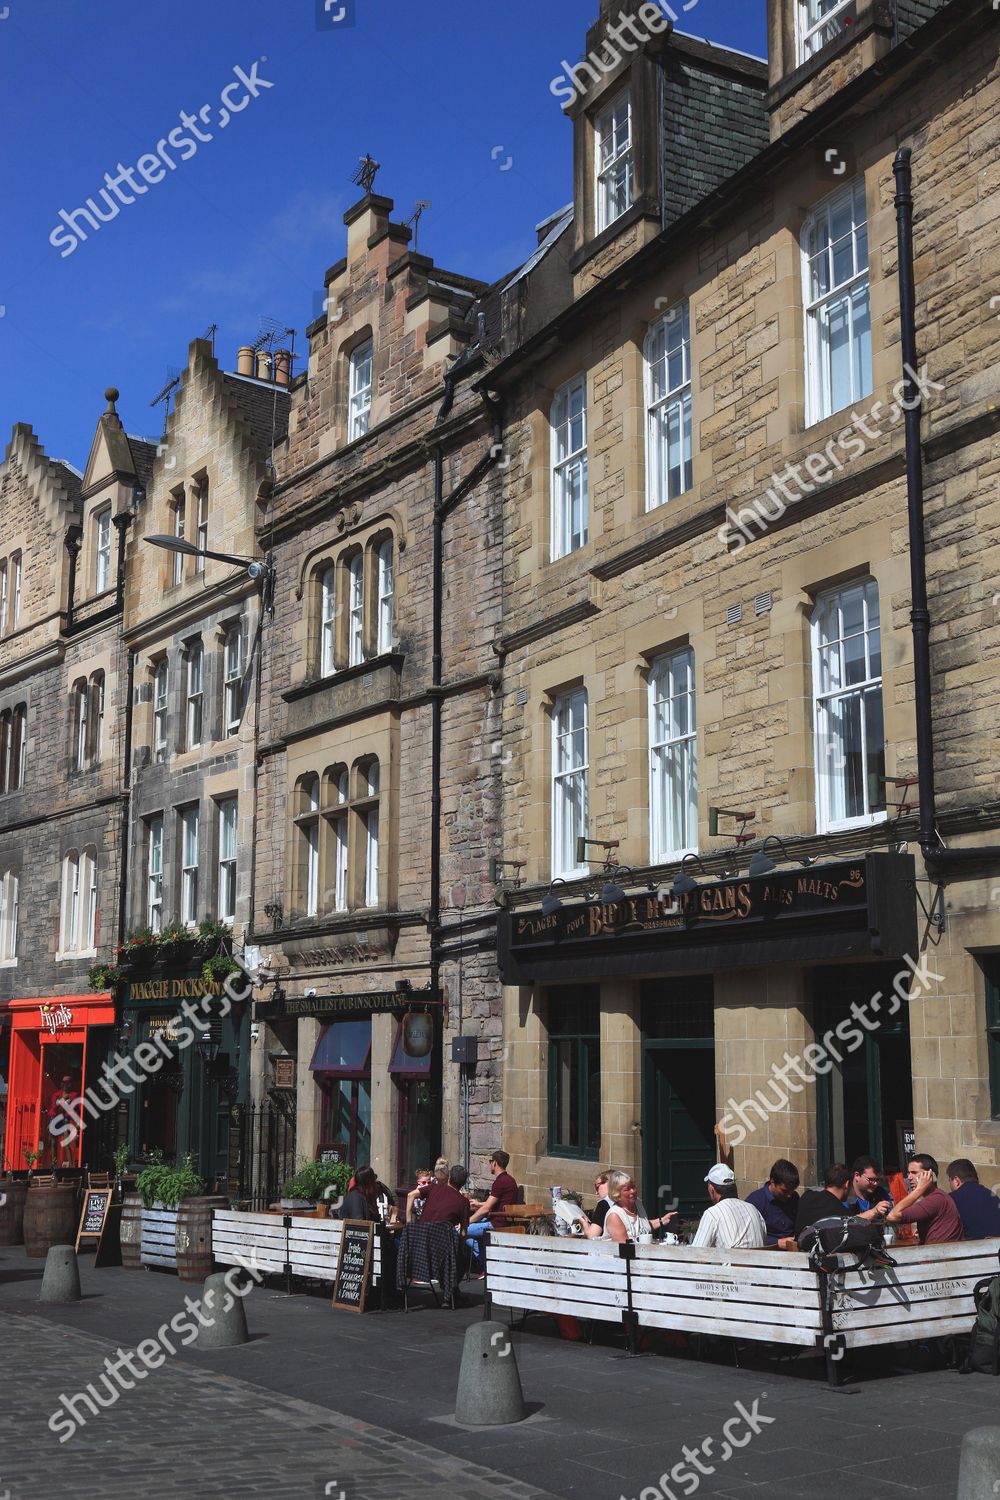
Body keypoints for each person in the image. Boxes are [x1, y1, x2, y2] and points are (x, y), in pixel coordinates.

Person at [887, 1153, 964, 1244]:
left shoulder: (936, 1199)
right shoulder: (937, 1197)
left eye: (914, 1173)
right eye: (908, 1173)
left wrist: (919, 1189)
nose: (909, 1177)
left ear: (930, 1175)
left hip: (939, 1255)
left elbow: (892, 1216)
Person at [466, 1150, 519, 1271]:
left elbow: (486, 1209)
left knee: (459, 1231)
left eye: (490, 1162)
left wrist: (467, 1221)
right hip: (503, 1221)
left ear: (494, 1163)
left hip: (496, 1223)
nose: (490, 1164)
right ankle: (487, 1263)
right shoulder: (510, 1180)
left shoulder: (500, 1182)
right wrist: (479, 1204)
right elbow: (495, 1203)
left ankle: (488, 1265)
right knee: (469, 1235)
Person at [692, 1165, 765, 1249]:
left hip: (733, 1261)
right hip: (759, 1261)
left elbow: (697, 1254)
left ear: (711, 1189)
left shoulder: (712, 1213)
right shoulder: (753, 1209)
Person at [602, 1169, 677, 1244]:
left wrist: (663, 1220)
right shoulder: (614, 1215)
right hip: (624, 1254)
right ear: (617, 1194)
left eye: (633, 1187)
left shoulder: (637, 1203)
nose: (633, 1191)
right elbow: (625, 1248)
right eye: (627, 1189)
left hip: (643, 1253)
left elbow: (642, 1226)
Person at [746, 1159, 800, 1246]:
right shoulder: (755, 1201)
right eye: (784, 1191)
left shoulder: (794, 1198)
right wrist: (776, 1242)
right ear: (773, 1181)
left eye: (792, 1191)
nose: (789, 1195)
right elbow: (748, 1236)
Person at [946, 1159, 1000, 1239]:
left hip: (971, 1249)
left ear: (956, 1180)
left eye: (950, 1181)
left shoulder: (950, 1199)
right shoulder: (995, 1197)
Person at [419, 1164, 471, 1233]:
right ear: (463, 1183)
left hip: (421, 1237)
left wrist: (408, 1223)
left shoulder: (433, 1188)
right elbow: (463, 1233)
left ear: (449, 1178)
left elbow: (411, 1195)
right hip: (442, 1241)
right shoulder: (464, 1202)